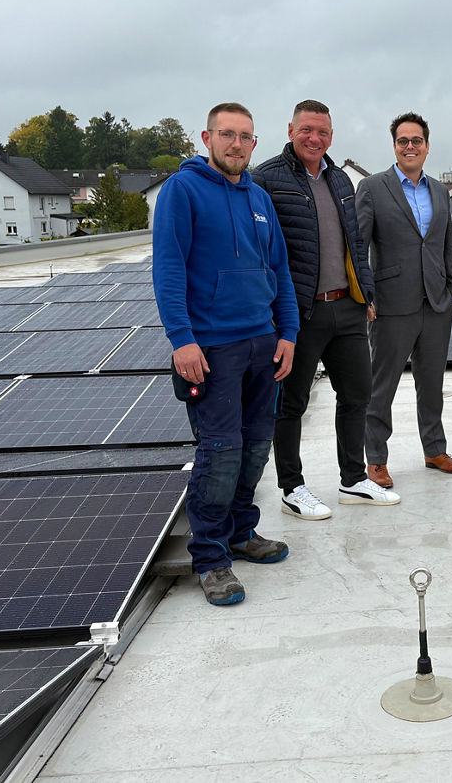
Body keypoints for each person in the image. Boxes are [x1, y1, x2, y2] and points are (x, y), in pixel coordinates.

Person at [152, 102, 299, 607]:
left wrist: (288, 333)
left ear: (254, 143)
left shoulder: (259, 197)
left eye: (246, 137)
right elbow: (169, 268)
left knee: (256, 446)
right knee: (220, 453)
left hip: (263, 344)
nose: (237, 144)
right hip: (212, 348)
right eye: (228, 134)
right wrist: (182, 339)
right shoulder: (182, 190)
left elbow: (278, 270)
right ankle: (211, 557)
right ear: (207, 138)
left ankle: (240, 532)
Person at [252, 99, 399, 518]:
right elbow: (262, 251)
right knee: (291, 404)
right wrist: (275, 313)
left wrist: (366, 294)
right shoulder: (266, 179)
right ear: (290, 131)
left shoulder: (340, 179)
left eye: (322, 132)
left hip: (347, 307)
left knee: (356, 395)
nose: (314, 138)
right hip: (300, 313)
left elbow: (356, 243)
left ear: (331, 137)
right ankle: (292, 488)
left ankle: (352, 479)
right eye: (306, 130)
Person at [356, 112, 452, 489]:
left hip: (436, 302)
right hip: (390, 304)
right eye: (403, 141)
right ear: (395, 146)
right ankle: (376, 459)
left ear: (427, 146)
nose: (410, 146)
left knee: (432, 383)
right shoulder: (372, 187)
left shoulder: (440, 191)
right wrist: (365, 295)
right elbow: (359, 245)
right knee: (381, 386)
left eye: (417, 140)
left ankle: (435, 449)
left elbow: (445, 242)